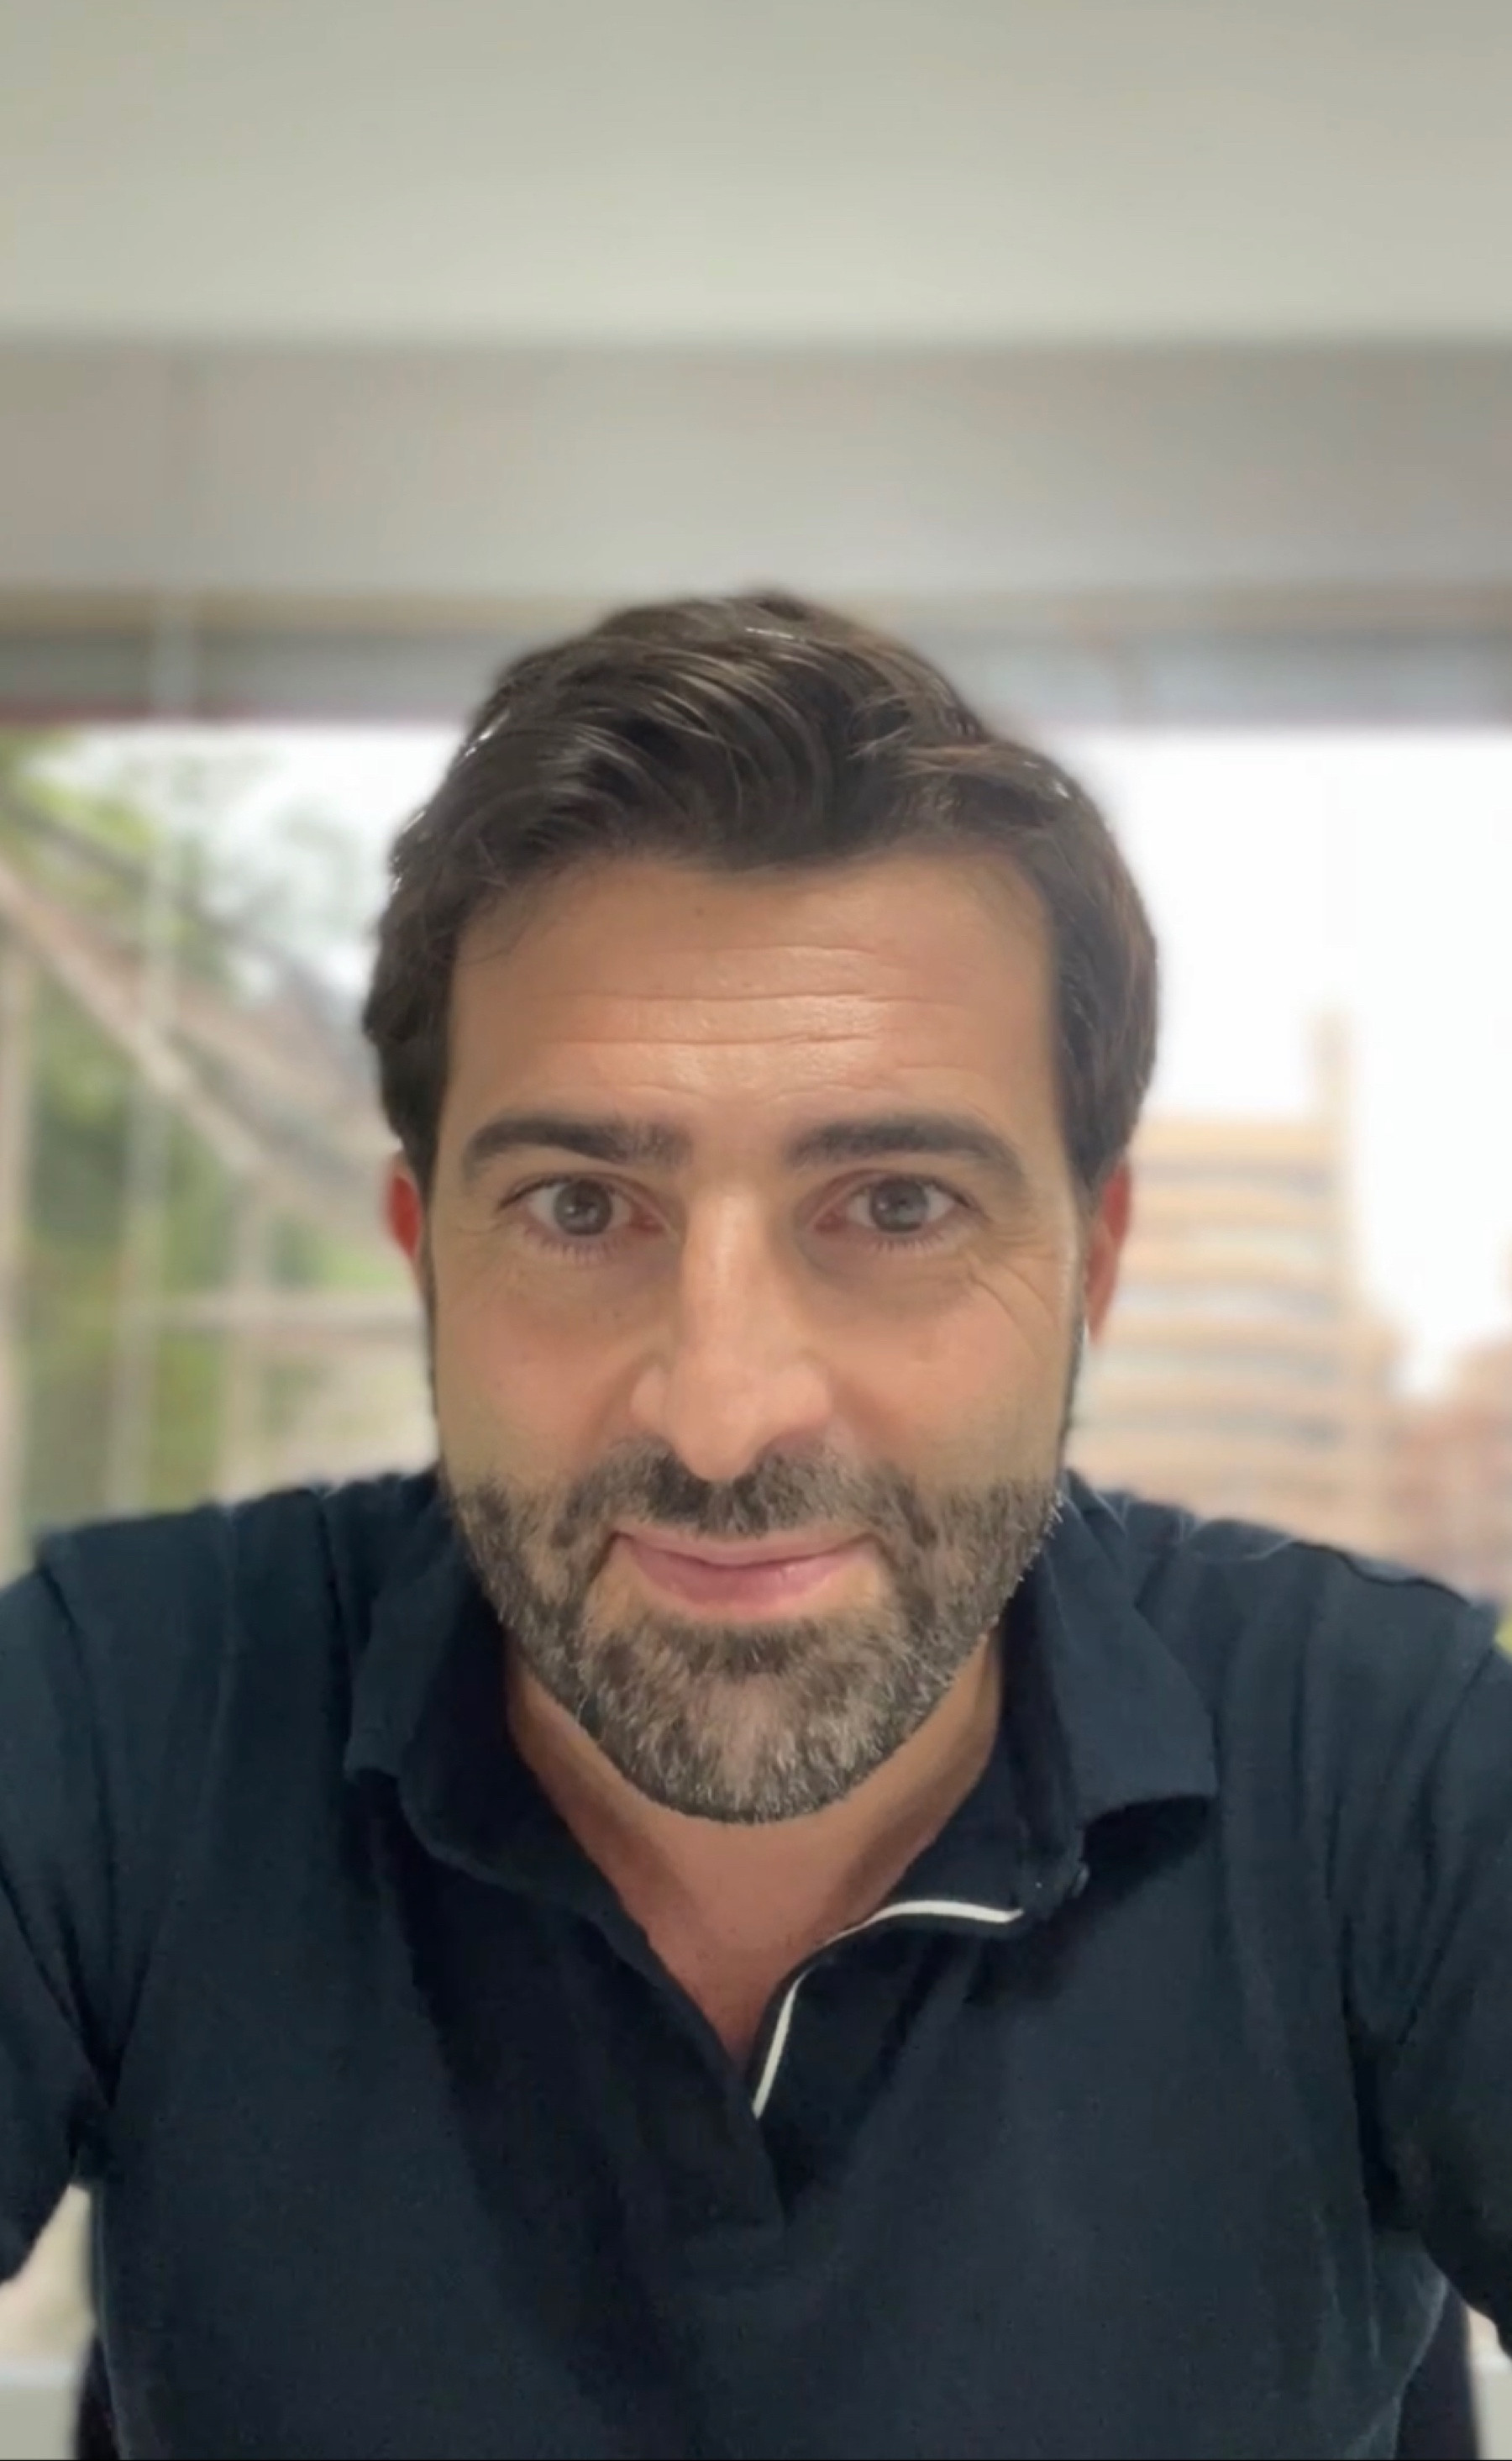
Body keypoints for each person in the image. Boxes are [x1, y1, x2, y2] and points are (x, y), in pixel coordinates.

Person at [3, 594, 1509, 2461]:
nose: (721, 1413)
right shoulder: (118, 1715)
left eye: (895, 1205)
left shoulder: (1386, 1758)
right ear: (427, 1260)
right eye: (580, 1207)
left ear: (1091, 1264)